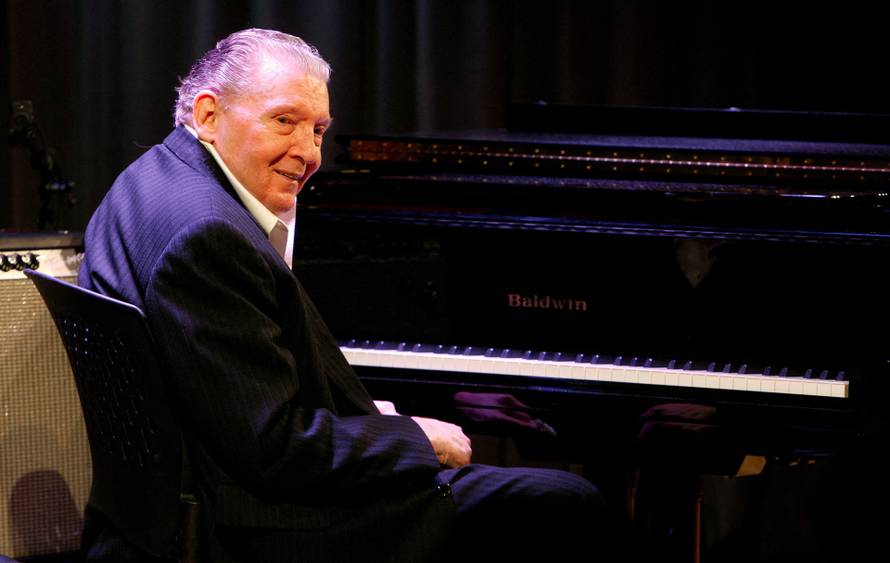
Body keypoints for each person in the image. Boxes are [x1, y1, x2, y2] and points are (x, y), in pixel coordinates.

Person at [79, 28, 605, 562]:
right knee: (565, 500)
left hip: (165, 508)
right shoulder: (208, 236)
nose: (308, 154)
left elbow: (230, 400)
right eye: (284, 120)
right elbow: (273, 450)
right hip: (249, 526)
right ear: (209, 115)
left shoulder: (147, 181)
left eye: (319, 130)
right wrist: (413, 439)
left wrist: (367, 422)